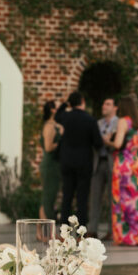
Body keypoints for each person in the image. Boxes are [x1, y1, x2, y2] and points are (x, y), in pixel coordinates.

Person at [54, 91, 103, 227]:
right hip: (83, 163)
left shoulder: (66, 117)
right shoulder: (90, 120)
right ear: (82, 101)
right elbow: (98, 143)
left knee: (67, 196)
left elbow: (57, 116)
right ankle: (82, 230)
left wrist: (65, 104)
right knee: (82, 198)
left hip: (67, 161)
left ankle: (64, 230)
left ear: (71, 103)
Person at [105, 95, 138, 246]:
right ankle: (137, 236)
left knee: (122, 200)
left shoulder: (123, 121)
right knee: (135, 199)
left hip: (123, 164)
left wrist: (107, 140)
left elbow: (117, 144)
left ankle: (124, 236)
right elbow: (137, 146)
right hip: (135, 163)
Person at [89, 97, 119, 239]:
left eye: (108, 104)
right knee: (95, 196)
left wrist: (108, 140)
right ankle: (92, 229)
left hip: (112, 162)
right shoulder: (98, 123)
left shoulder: (120, 123)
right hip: (98, 161)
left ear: (115, 108)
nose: (104, 106)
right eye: (103, 103)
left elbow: (117, 141)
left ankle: (111, 231)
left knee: (112, 197)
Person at [39, 100, 63, 221]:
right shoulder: (49, 126)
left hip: (55, 164)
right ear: (53, 110)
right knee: (48, 197)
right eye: (59, 108)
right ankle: (44, 230)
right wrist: (61, 142)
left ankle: (42, 231)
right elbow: (48, 147)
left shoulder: (55, 125)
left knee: (50, 197)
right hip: (50, 165)